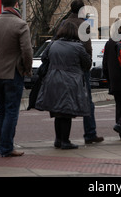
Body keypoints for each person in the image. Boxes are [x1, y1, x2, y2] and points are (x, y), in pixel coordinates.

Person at [0, 0, 33, 157]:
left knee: (1, 110)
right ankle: (6, 147)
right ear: (16, 4)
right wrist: (27, 69)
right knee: (12, 111)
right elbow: (27, 50)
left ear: (3, 5)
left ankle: (1, 145)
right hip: (13, 72)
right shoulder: (20, 24)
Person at [35, 21, 92, 149]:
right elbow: (87, 64)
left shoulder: (53, 44)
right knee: (67, 112)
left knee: (57, 111)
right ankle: (65, 141)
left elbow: (44, 58)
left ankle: (58, 139)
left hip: (53, 79)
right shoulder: (78, 47)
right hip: (70, 81)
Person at [65, 0, 103, 144]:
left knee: (64, 102)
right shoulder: (83, 25)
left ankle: (62, 137)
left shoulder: (63, 23)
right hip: (80, 68)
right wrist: (86, 66)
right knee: (88, 102)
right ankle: (90, 133)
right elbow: (88, 49)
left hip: (64, 68)